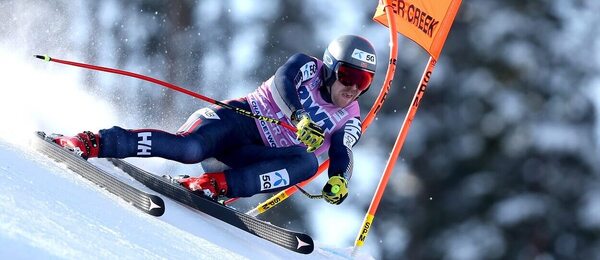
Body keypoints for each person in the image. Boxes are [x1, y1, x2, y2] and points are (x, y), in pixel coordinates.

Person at [51, 35, 377, 205]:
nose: (352, 88)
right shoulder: (308, 67)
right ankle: (93, 142)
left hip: (251, 157)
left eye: (363, 82)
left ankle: (215, 186)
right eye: (348, 75)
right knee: (188, 149)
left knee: (306, 163)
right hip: (235, 122)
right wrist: (300, 116)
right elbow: (283, 80)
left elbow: (343, 150)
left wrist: (339, 180)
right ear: (332, 67)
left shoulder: (349, 116)